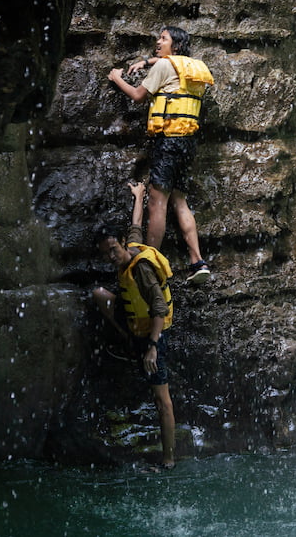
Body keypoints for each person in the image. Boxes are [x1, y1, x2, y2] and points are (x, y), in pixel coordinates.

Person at [107, 26, 215, 284]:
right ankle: (197, 261)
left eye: (163, 39)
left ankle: (150, 264)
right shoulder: (196, 67)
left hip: (167, 143)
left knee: (157, 203)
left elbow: (137, 96)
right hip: (188, 142)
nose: (158, 41)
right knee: (180, 201)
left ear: (175, 46)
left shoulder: (164, 68)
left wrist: (116, 77)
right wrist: (146, 61)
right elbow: (170, 65)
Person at [92, 181, 176, 470]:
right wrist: (138, 195)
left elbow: (159, 307)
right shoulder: (128, 250)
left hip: (154, 333)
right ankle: (128, 339)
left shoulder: (139, 269)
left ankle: (169, 460)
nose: (112, 256)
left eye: (113, 250)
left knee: (161, 398)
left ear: (119, 245)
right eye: (106, 254)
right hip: (136, 328)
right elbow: (136, 226)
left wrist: (152, 346)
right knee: (99, 295)